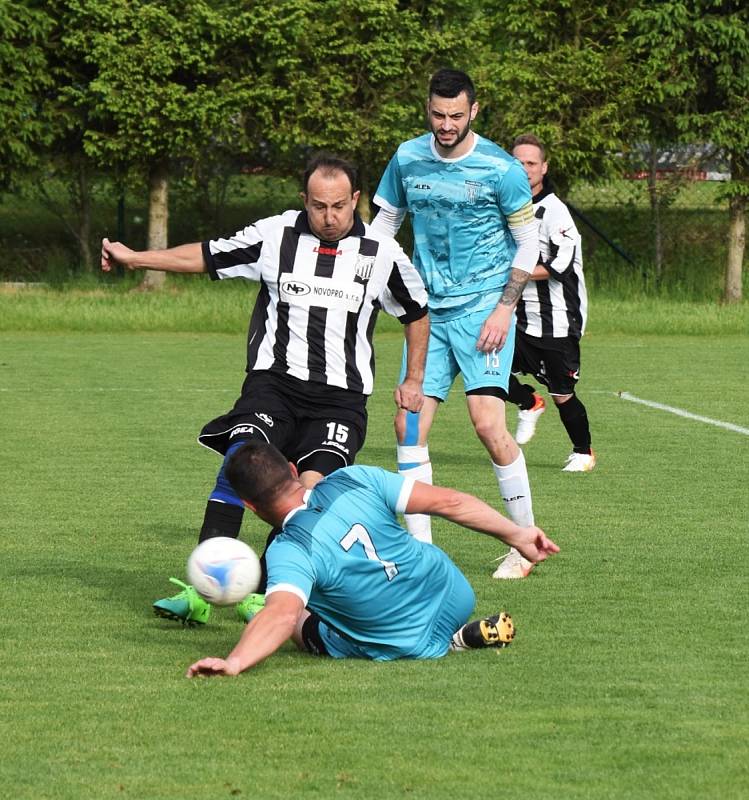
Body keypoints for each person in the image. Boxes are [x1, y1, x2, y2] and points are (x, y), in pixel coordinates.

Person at [101, 153, 430, 625]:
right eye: (318, 206)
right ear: (304, 200)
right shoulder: (276, 235)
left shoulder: (382, 253)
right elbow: (206, 255)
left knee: (306, 491)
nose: (330, 216)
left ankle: (263, 590)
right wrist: (136, 258)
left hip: (339, 400)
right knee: (242, 460)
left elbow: (417, 312)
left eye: (339, 206)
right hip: (273, 385)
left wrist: (413, 378)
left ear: (355, 199)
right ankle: (202, 592)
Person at [186, 440, 560, 677]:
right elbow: (451, 502)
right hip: (454, 594)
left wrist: (233, 661)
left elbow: (283, 615)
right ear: (293, 470)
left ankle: (450, 643)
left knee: (300, 617)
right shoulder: (355, 478)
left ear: (250, 506)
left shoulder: (289, 550)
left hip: (404, 643)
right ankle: (457, 636)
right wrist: (519, 535)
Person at [369, 68, 541, 580]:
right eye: (438, 115)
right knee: (408, 422)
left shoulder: (501, 168)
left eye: (456, 115)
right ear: (429, 109)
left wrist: (503, 308)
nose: (446, 124)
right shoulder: (406, 157)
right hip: (427, 312)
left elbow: (529, 242)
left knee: (488, 425)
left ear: (474, 111)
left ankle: (524, 543)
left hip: (484, 307)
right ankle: (422, 554)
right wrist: (376, 283)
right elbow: (383, 225)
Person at [508, 134, 595, 472]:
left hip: (557, 320)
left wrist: (513, 272)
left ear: (543, 168)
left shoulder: (555, 211)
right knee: (484, 366)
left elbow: (560, 265)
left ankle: (584, 453)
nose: (524, 169)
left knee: (563, 393)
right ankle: (529, 402)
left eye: (531, 163)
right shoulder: (510, 208)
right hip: (517, 317)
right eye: (518, 163)